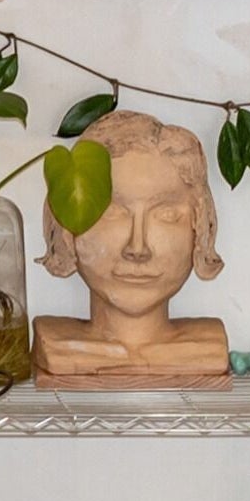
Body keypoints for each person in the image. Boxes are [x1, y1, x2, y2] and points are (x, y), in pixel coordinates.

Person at [32, 109, 231, 379]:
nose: (138, 248)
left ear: (201, 223)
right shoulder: (54, 346)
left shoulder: (209, 348)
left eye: (167, 215)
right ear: (68, 223)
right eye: (112, 212)